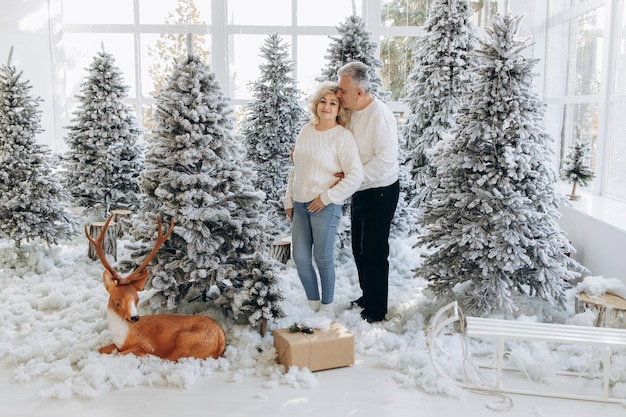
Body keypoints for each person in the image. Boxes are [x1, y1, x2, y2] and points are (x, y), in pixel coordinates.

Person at [283, 81, 364, 315]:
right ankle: (313, 305)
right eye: (323, 101)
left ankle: (326, 308)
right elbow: (296, 168)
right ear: (316, 104)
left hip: (324, 207)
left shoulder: (342, 137)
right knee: (300, 257)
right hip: (300, 206)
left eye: (333, 103)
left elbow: (355, 175)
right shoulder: (306, 130)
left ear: (340, 109)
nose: (326, 107)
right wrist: (289, 199)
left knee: (322, 257)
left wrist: (327, 197)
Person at [336, 61, 400, 323]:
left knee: (374, 252)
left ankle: (376, 310)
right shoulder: (352, 110)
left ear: (359, 93)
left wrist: (353, 178)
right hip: (361, 189)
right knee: (359, 248)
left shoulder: (380, 116)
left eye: (342, 90)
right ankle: (367, 296)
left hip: (380, 191)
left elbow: (385, 160)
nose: (338, 94)